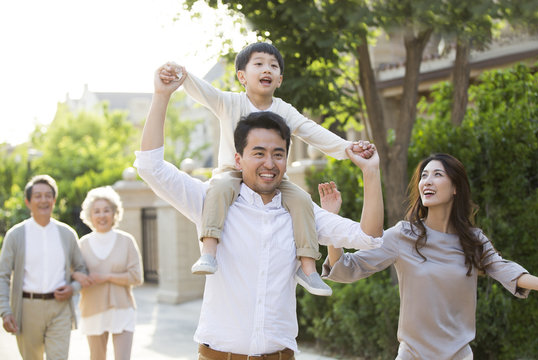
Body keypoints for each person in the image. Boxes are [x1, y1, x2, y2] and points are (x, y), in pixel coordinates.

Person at [133, 65, 384, 358]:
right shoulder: (211, 201)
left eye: (278, 154)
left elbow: (369, 236)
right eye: (259, 153)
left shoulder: (302, 212)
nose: (269, 162)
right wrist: (162, 96)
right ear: (238, 159)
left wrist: (371, 172)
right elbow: (151, 168)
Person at [158, 42, 371, 296]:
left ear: (280, 79)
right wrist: (182, 74)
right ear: (242, 76)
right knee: (219, 187)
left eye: (273, 66)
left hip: (274, 178)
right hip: (231, 173)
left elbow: (311, 130)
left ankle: (308, 267)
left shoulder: (283, 110)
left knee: (302, 199)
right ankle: (209, 252)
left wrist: (348, 148)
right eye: (258, 64)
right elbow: (205, 92)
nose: (266, 69)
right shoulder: (230, 102)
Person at [320, 153, 538, 360]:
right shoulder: (403, 235)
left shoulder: (473, 240)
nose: (427, 181)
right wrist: (331, 222)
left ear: (455, 187)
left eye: (437, 175)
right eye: (424, 175)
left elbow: (505, 270)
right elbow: (346, 268)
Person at [0, 174, 88, 360]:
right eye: (38, 196)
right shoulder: (15, 235)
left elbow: (81, 269)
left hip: (60, 308)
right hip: (27, 309)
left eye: (48, 195)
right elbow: (3, 275)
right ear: (28, 201)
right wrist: (5, 311)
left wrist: (73, 288)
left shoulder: (67, 234)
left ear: (54, 200)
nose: (43, 200)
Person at [73, 186, 143, 360]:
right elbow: (73, 272)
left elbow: (137, 277)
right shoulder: (82, 244)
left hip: (123, 309)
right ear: (90, 216)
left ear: (114, 213)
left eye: (106, 210)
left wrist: (105, 277)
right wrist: (78, 276)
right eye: (96, 211)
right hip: (92, 309)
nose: (102, 215)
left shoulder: (126, 241)